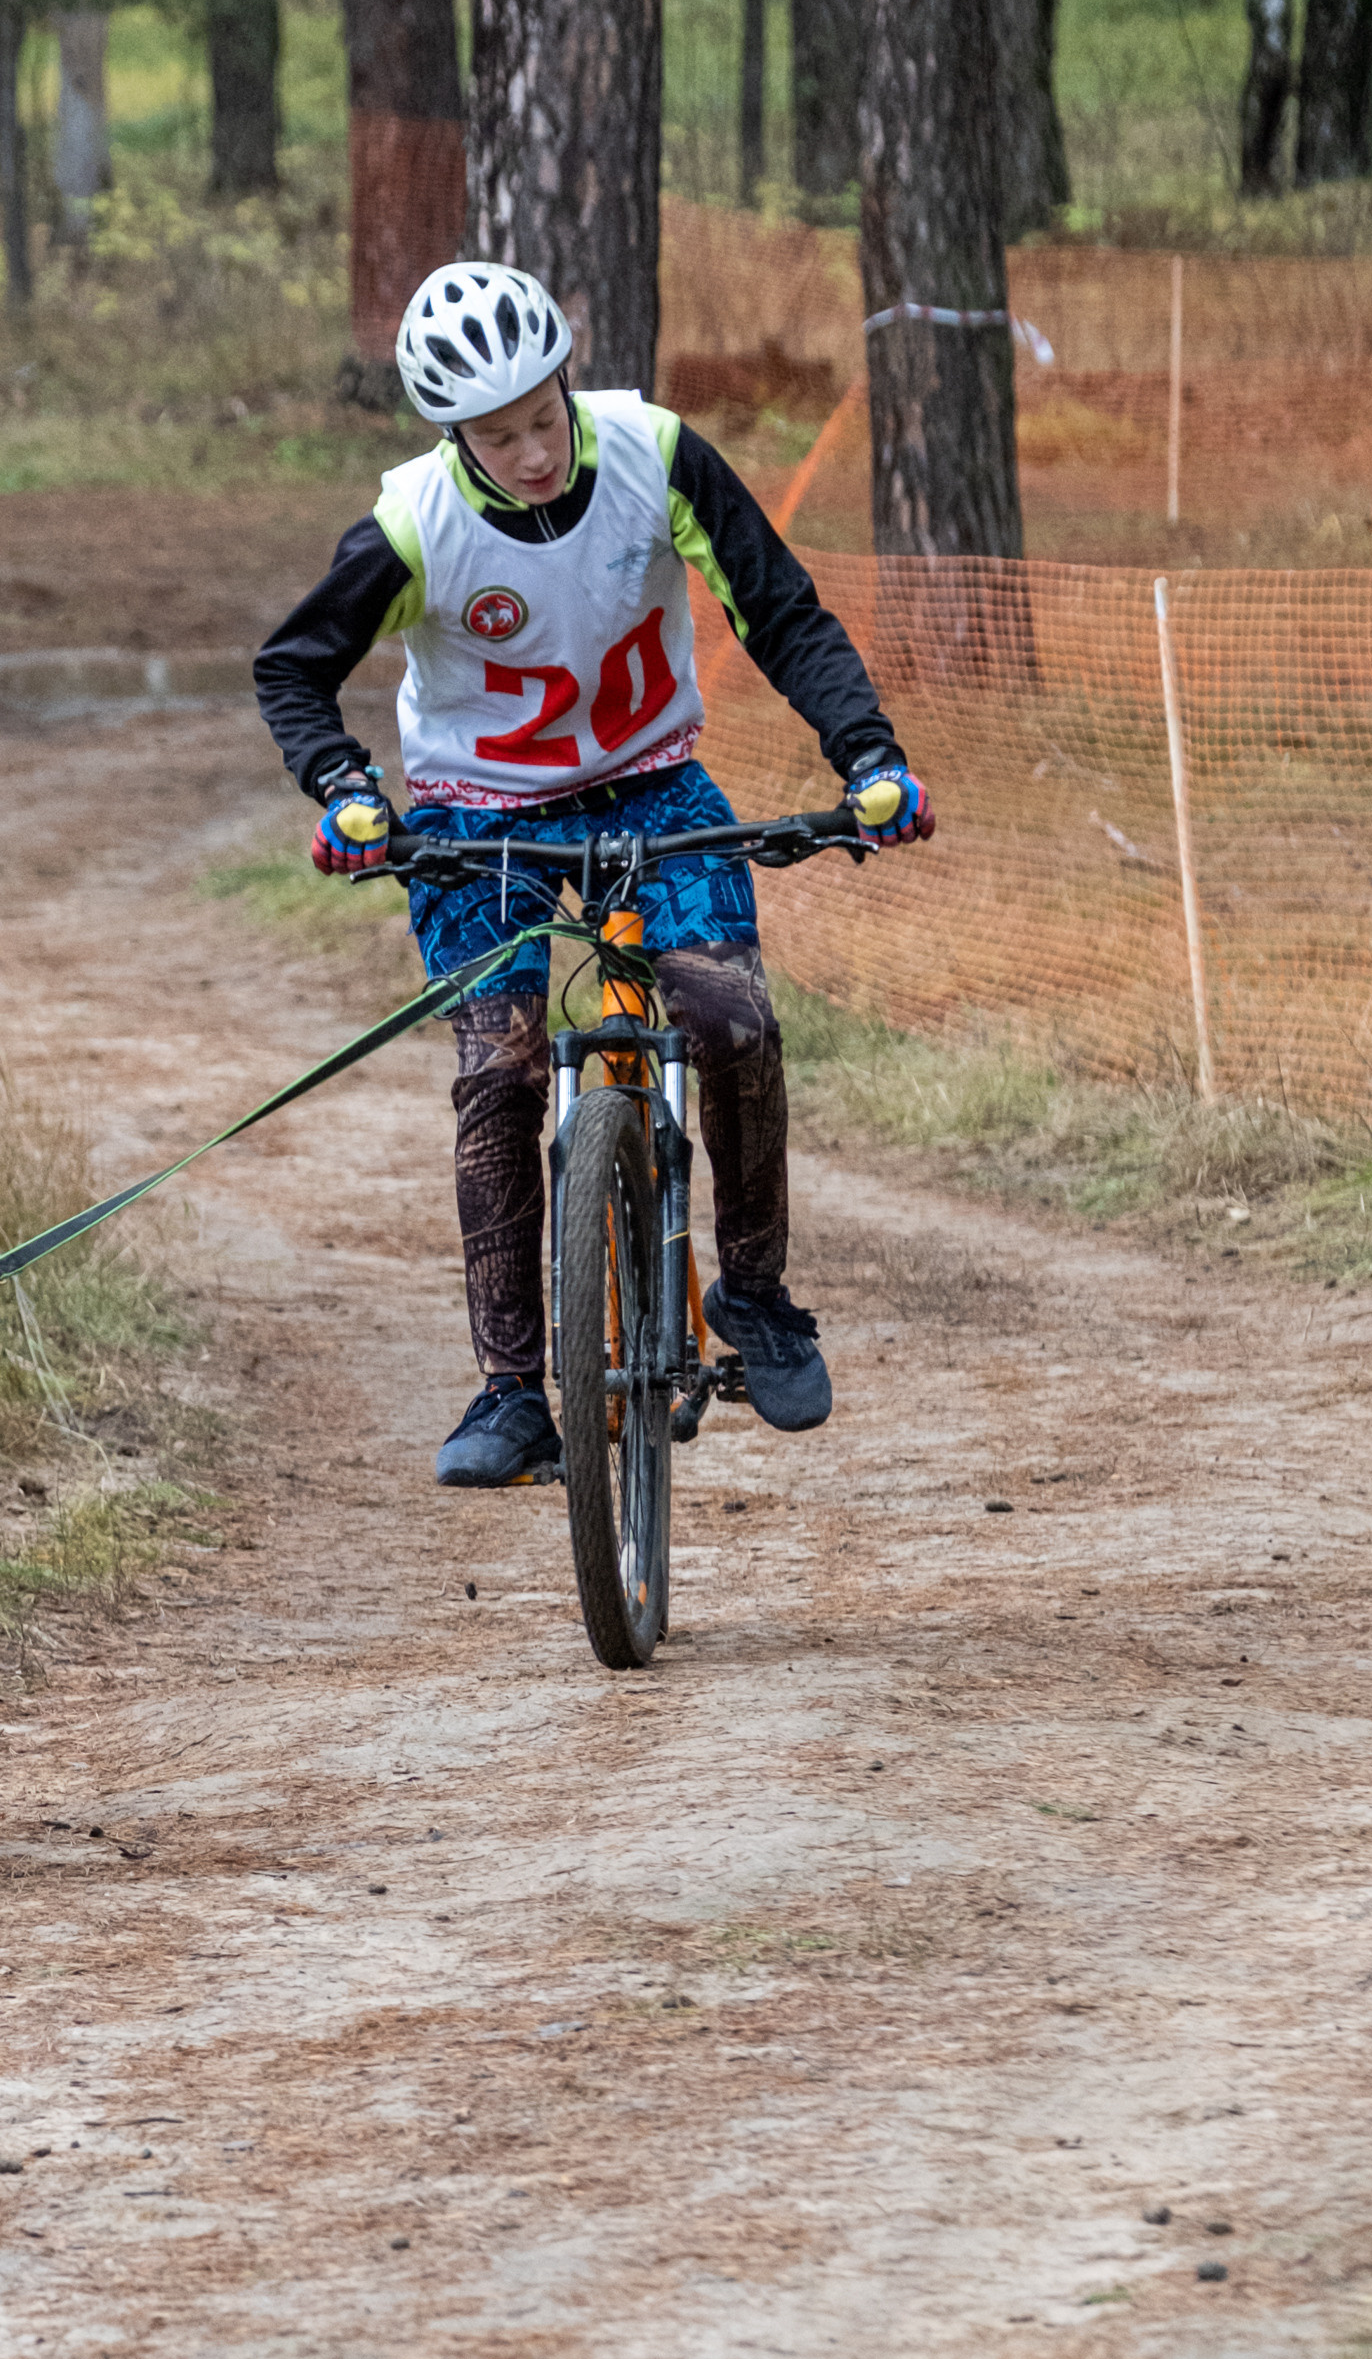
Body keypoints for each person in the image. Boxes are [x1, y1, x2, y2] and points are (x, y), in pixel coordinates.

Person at [253, 260, 931, 1486]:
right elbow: (290, 669)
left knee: (730, 1019)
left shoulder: (654, 454)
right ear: (453, 434)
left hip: (650, 781)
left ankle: (759, 1295)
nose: (529, 452)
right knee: (499, 1068)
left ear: (569, 379)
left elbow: (777, 611)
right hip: (476, 819)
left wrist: (868, 755)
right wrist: (351, 795)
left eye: (541, 416)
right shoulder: (412, 523)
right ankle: (514, 1387)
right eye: (495, 434)